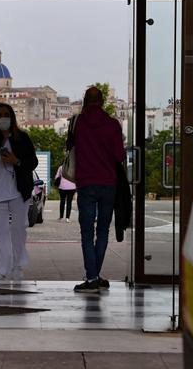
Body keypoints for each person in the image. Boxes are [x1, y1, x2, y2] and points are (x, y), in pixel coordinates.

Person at [71, 86, 126, 293]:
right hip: (108, 183)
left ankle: (92, 276)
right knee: (103, 230)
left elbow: (72, 148)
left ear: (85, 100)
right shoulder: (113, 125)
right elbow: (119, 156)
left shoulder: (79, 124)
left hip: (86, 183)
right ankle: (95, 275)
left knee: (87, 231)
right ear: (102, 101)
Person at [0, 103, 38, 281]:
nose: (2, 118)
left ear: (11, 117)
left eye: (5, 114)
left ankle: (17, 265)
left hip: (18, 191)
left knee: (19, 228)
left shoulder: (23, 138)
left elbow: (33, 162)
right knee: (0, 231)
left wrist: (16, 161)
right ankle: (2, 269)